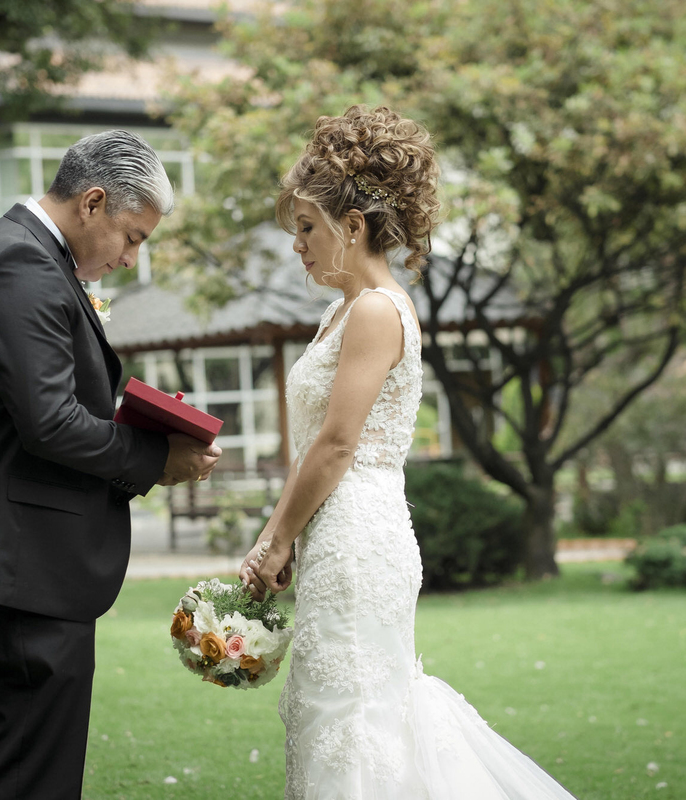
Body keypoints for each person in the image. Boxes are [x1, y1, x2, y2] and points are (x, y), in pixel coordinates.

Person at [239, 106, 579, 799]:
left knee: (357, 716)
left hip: (358, 536)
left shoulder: (374, 311)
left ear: (353, 227)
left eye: (307, 228)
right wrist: (275, 541)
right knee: (333, 709)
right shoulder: (343, 311)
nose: (297, 245)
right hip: (335, 533)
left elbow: (336, 448)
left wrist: (277, 543)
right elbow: (311, 448)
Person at [0, 129, 222, 800]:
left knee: (38, 769)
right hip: (24, 562)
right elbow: (49, 422)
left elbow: (48, 403)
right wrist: (155, 456)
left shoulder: (33, 259)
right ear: (92, 203)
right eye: (133, 236)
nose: (131, 257)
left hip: (30, 560)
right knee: (30, 777)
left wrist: (149, 420)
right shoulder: (20, 265)